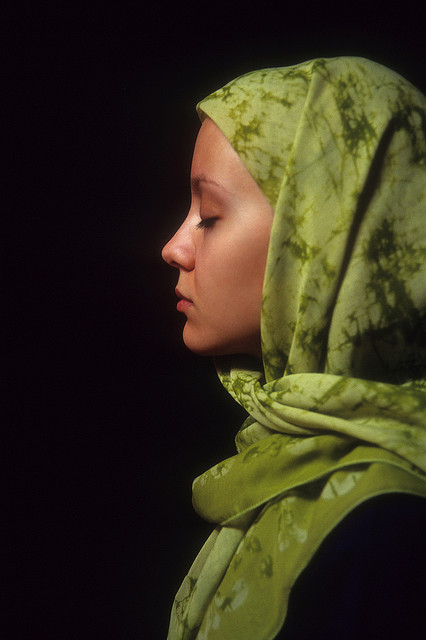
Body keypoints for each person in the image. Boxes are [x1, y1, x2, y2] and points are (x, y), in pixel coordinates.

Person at [161, 57, 426, 639]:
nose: (173, 247)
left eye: (209, 215)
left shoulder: (389, 527)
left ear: (318, 240)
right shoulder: (272, 459)